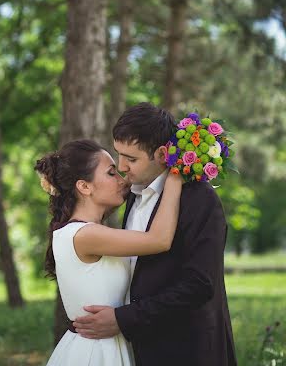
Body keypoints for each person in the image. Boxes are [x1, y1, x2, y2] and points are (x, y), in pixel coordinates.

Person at [73, 102, 238, 366]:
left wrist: (123, 319)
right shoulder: (133, 196)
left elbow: (199, 285)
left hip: (188, 351)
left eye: (132, 158)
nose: (122, 167)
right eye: (119, 155)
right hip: (143, 348)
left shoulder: (199, 199)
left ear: (162, 154)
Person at [35, 138, 182, 366]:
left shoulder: (83, 233)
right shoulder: (85, 235)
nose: (122, 180)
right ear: (84, 186)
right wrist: (175, 174)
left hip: (106, 345)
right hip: (96, 354)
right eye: (111, 173)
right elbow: (160, 240)